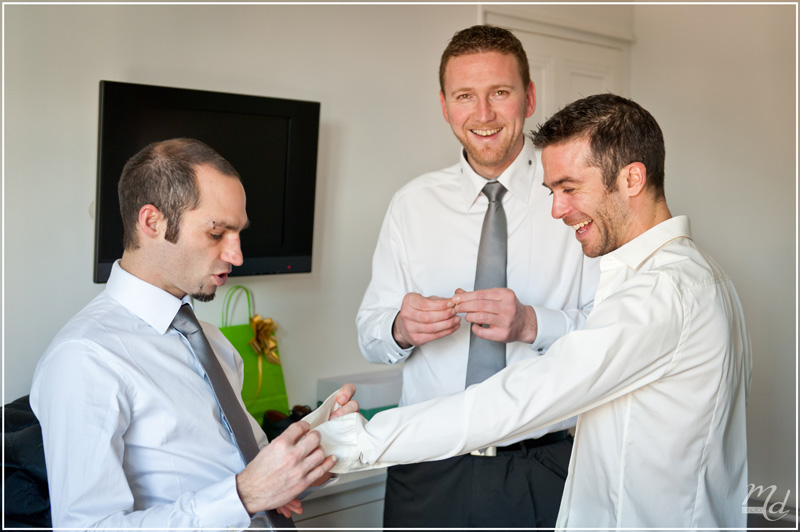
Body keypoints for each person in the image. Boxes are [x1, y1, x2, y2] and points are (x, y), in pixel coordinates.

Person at [319, 93, 752, 529]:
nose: (556, 210)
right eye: (551, 191)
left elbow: (521, 398)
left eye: (569, 188)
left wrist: (358, 442)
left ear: (632, 178)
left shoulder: (661, 293)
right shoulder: (698, 276)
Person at [30, 138, 358, 529]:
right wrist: (244, 495)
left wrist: (315, 448)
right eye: (216, 233)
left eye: (238, 234)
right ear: (152, 222)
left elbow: (249, 471)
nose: (236, 256)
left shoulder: (212, 341)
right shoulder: (85, 357)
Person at [356, 25, 599, 528]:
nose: (483, 115)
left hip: (544, 467)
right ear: (445, 106)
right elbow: (371, 331)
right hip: (425, 464)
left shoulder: (577, 200)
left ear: (529, 98)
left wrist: (533, 322)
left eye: (500, 93)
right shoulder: (411, 205)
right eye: (465, 96)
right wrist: (400, 328)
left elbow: (615, 335)